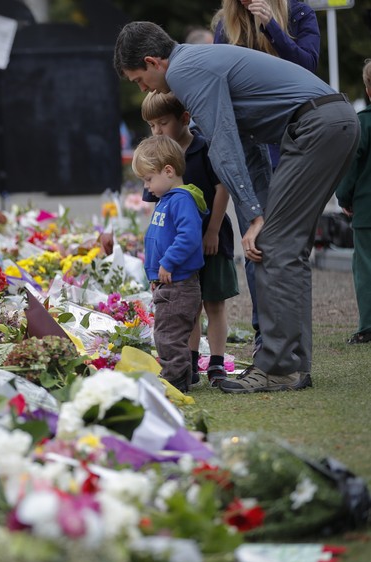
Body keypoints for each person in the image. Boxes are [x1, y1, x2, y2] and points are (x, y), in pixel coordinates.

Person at [113, 21, 359, 393]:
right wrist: (256, 211)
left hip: (315, 127)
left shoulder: (183, 70)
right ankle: (293, 366)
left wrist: (258, 217)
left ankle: (279, 368)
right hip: (327, 122)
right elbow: (250, 147)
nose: (143, 89)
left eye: (138, 80)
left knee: (274, 245)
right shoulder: (197, 60)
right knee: (285, 248)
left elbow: (223, 145)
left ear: (152, 61)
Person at [213, 0, 320, 356]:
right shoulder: (225, 26)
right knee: (255, 247)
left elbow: (309, 67)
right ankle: (265, 337)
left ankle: (294, 340)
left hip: (295, 143)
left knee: (288, 248)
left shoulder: (299, 13)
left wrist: (273, 26)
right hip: (250, 151)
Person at [141, 92, 239, 387]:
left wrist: (211, 230)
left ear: (184, 119)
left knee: (214, 302)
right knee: (188, 307)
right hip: (180, 251)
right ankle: (191, 362)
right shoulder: (157, 158)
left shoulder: (203, 148)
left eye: (163, 123)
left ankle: (218, 363)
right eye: (151, 125)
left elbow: (223, 188)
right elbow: (157, 210)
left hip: (211, 238)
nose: (157, 130)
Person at [133, 135, 206, 391]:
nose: (147, 186)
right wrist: (155, 277)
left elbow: (189, 236)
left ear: (168, 170)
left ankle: (175, 379)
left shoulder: (181, 200)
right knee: (166, 331)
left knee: (169, 334)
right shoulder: (166, 200)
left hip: (179, 282)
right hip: (167, 282)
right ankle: (179, 375)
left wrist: (169, 262)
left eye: (148, 179)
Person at [336, 59, 371, 345]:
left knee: (366, 267)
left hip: (367, 209)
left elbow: (352, 165)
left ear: (368, 89)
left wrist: (343, 197)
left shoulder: (363, 123)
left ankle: (368, 325)